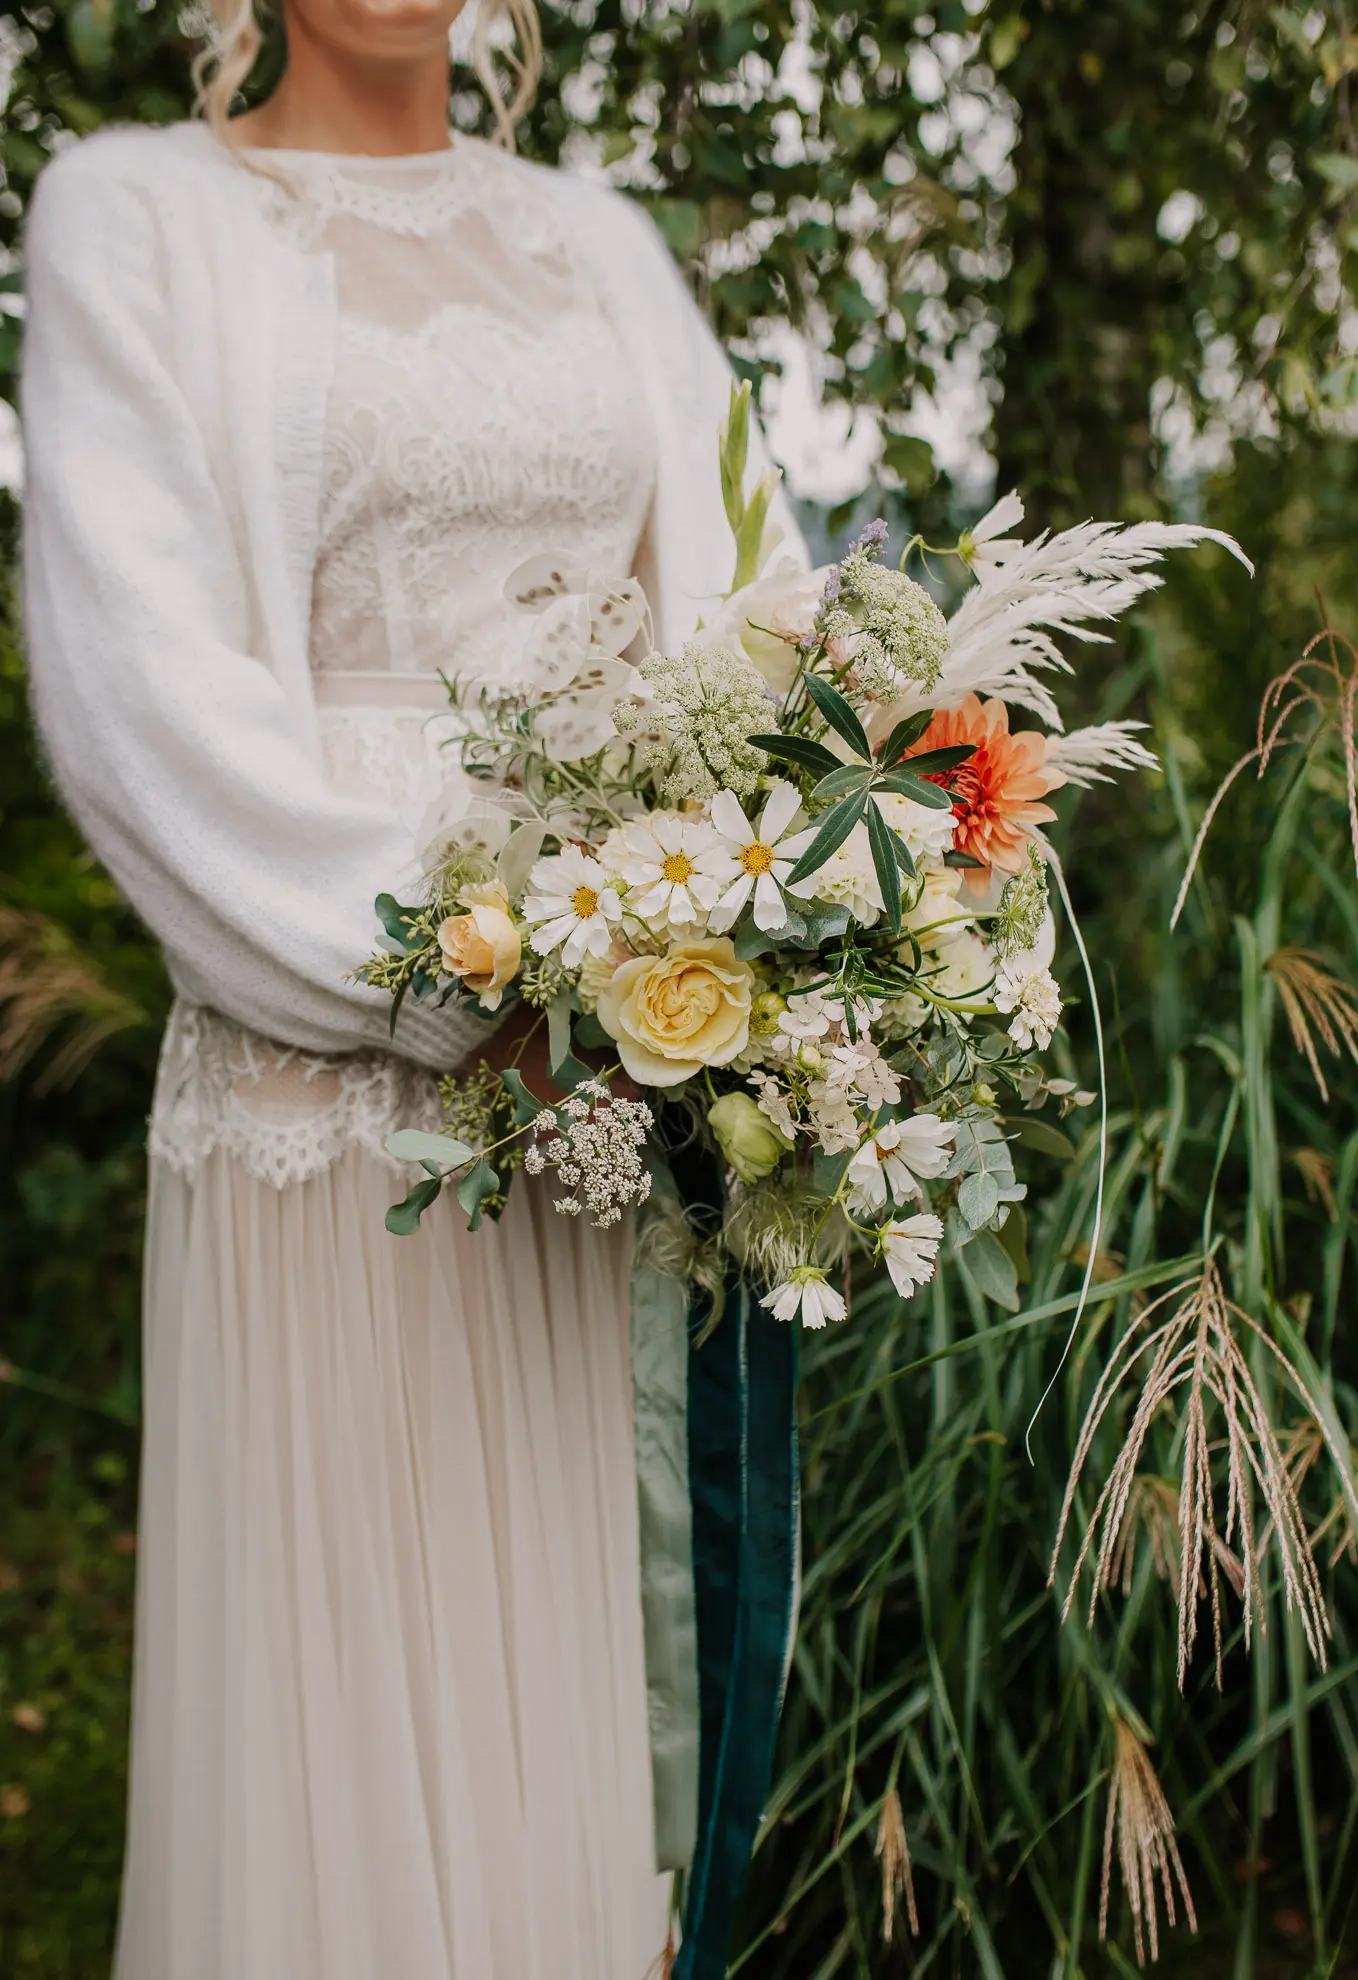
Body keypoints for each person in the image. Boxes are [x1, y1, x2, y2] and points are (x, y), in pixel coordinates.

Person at [20, 2, 802, 1972]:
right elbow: (139, 689)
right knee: (349, 1690)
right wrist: (449, 975)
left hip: (600, 1087)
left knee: (562, 1657)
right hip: (334, 1084)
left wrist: (712, 926)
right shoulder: (138, 215)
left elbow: (752, 605)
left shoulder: (593, 240)